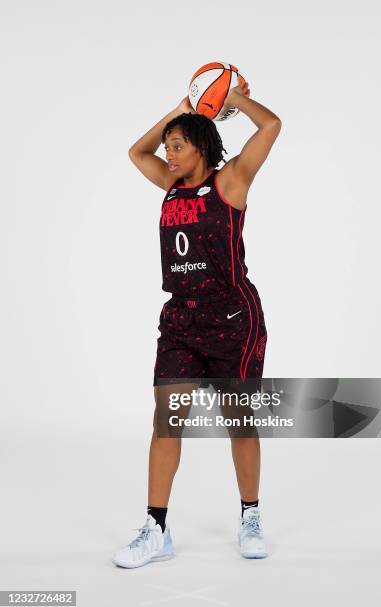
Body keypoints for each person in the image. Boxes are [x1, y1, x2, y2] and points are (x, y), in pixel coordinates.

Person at [113, 81, 281, 568]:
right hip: (181, 318)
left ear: (202, 149)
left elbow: (271, 126)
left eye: (178, 146)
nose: (166, 153)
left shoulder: (231, 183)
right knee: (166, 423)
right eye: (168, 147)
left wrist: (234, 101)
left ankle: (250, 514)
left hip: (232, 317)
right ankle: (156, 528)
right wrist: (179, 112)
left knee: (239, 423)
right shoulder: (169, 185)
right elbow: (134, 150)